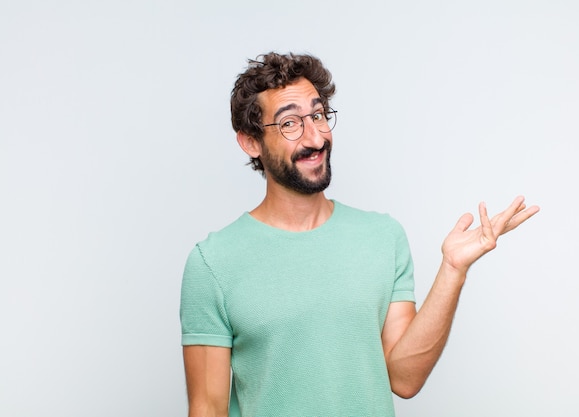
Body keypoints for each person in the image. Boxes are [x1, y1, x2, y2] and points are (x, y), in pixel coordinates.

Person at [179, 51, 539, 417]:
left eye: (318, 115)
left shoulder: (382, 237)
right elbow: (207, 407)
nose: (315, 137)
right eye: (290, 123)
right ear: (251, 142)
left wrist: (453, 269)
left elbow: (405, 378)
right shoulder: (213, 263)